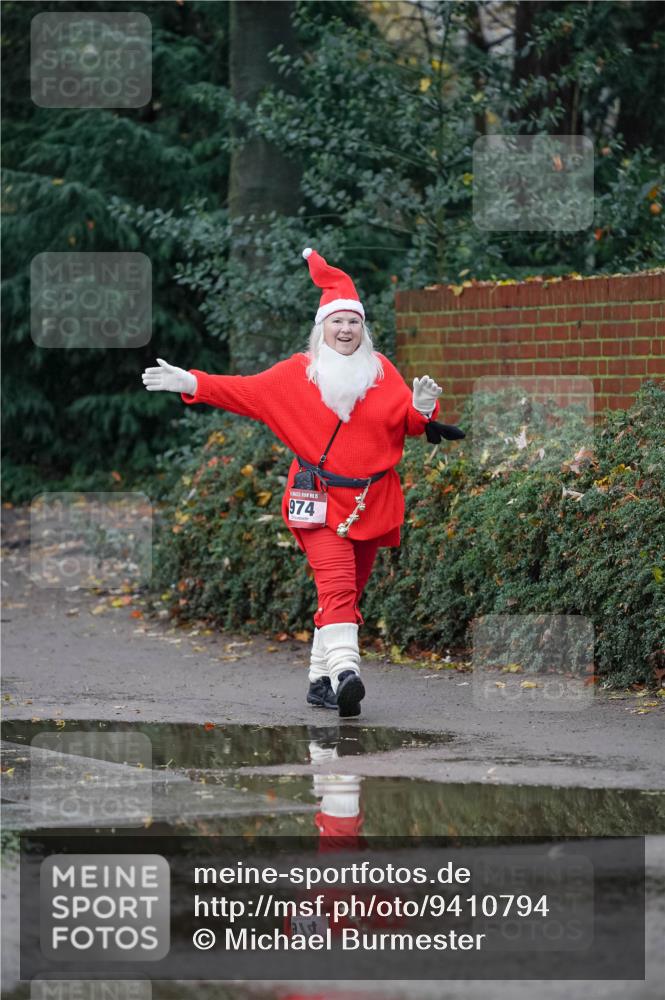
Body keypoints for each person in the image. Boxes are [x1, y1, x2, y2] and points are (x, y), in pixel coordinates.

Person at [142, 248, 443, 718]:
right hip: (318, 500)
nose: (346, 330)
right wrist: (191, 381)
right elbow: (243, 391)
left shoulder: (383, 372)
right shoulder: (294, 375)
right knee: (338, 586)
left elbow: (408, 424)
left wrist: (423, 408)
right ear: (321, 327)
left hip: (371, 499)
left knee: (345, 593)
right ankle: (347, 673)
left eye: (354, 323)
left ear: (364, 329)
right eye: (337, 322)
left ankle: (319, 682)